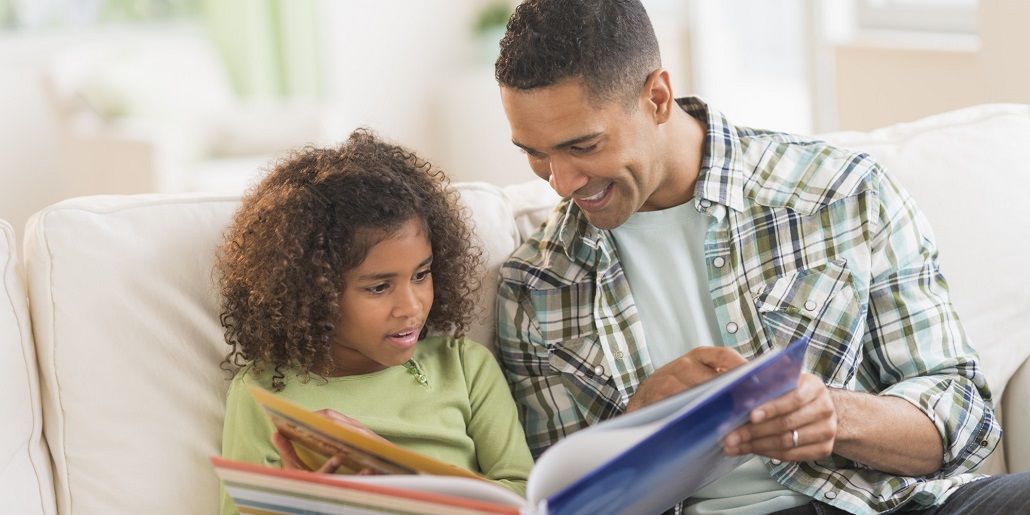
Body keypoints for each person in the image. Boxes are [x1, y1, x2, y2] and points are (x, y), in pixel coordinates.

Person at [492, 1, 1030, 514]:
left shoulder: (841, 192)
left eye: (582, 146)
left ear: (657, 97)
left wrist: (835, 415)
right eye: (535, 153)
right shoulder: (534, 285)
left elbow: (964, 413)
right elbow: (559, 501)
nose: (561, 182)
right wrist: (636, 431)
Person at [216, 129, 533, 515]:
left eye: (421, 274)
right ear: (314, 294)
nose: (411, 306)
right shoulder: (262, 393)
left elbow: (524, 496)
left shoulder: (465, 367)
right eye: (379, 287)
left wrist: (396, 470)